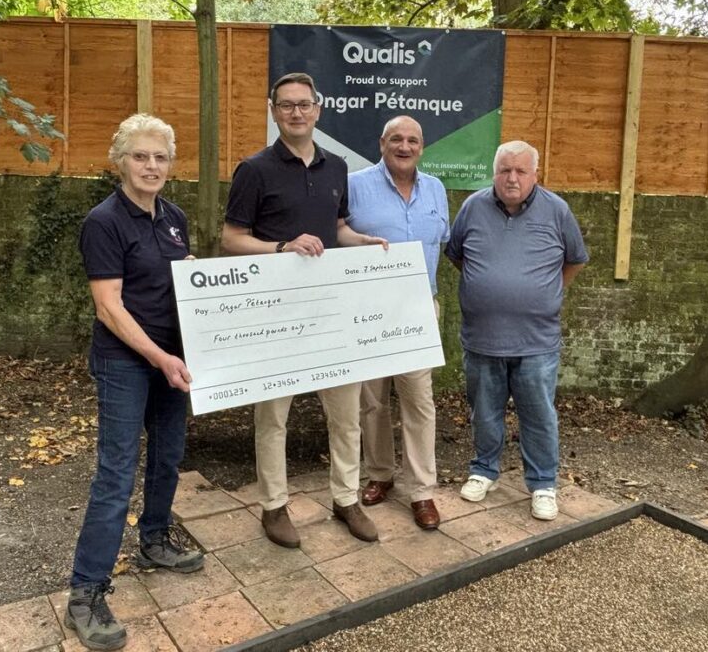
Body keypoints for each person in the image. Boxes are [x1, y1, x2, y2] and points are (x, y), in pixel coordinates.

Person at [221, 72, 389, 549]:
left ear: (318, 109)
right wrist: (281, 248)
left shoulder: (337, 167)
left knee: (346, 413)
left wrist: (365, 242)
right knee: (273, 417)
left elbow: (337, 229)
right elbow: (230, 239)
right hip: (276, 314)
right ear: (274, 112)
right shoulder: (253, 170)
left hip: (332, 311)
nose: (296, 112)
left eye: (304, 104)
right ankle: (274, 507)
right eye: (286, 105)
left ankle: (346, 499)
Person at [67, 114, 203, 651]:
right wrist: (159, 357)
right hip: (126, 362)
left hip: (172, 358)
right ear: (119, 160)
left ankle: (154, 541)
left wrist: (194, 278)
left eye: (160, 157)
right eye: (140, 156)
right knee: (116, 473)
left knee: (168, 456)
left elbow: (175, 283)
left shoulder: (174, 218)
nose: (151, 166)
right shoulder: (103, 222)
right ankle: (86, 590)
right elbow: (108, 308)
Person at [445, 140, 587, 521]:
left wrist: (543, 292)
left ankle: (542, 483)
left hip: (536, 341)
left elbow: (574, 260)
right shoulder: (472, 207)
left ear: (535, 175)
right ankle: (483, 470)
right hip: (482, 338)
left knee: (538, 414)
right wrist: (489, 287)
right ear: (493, 173)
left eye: (520, 171)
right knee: (485, 412)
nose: (511, 178)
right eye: (504, 170)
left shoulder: (557, 210)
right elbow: (458, 255)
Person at [346, 116, 449, 530]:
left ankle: (421, 491)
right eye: (396, 139)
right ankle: (380, 474)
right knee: (371, 400)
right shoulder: (356, 186)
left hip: (420, 309)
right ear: (381, 143)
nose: (404, 146)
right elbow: (339, 237)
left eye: (412, 140)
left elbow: (440, 244)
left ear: (422, 147)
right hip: (369, 309)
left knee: (419, 401)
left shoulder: (437, 190)